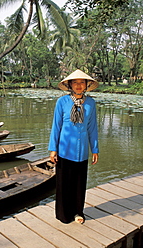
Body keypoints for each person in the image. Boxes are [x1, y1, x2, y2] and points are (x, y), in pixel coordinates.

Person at [48, 69, 99, 224]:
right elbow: (56, 126)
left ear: (87, 85)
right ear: (69, 85)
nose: (78, 85)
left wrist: (95, 149)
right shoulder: (62, 102)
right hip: (64, 150)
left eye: (81, 82)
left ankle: (78, 212)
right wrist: (53, 149)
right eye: (75, 82)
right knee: (64, 185)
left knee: (79, 184)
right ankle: (64, 214)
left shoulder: (90, 103)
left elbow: (92, 128)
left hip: (82, 151)